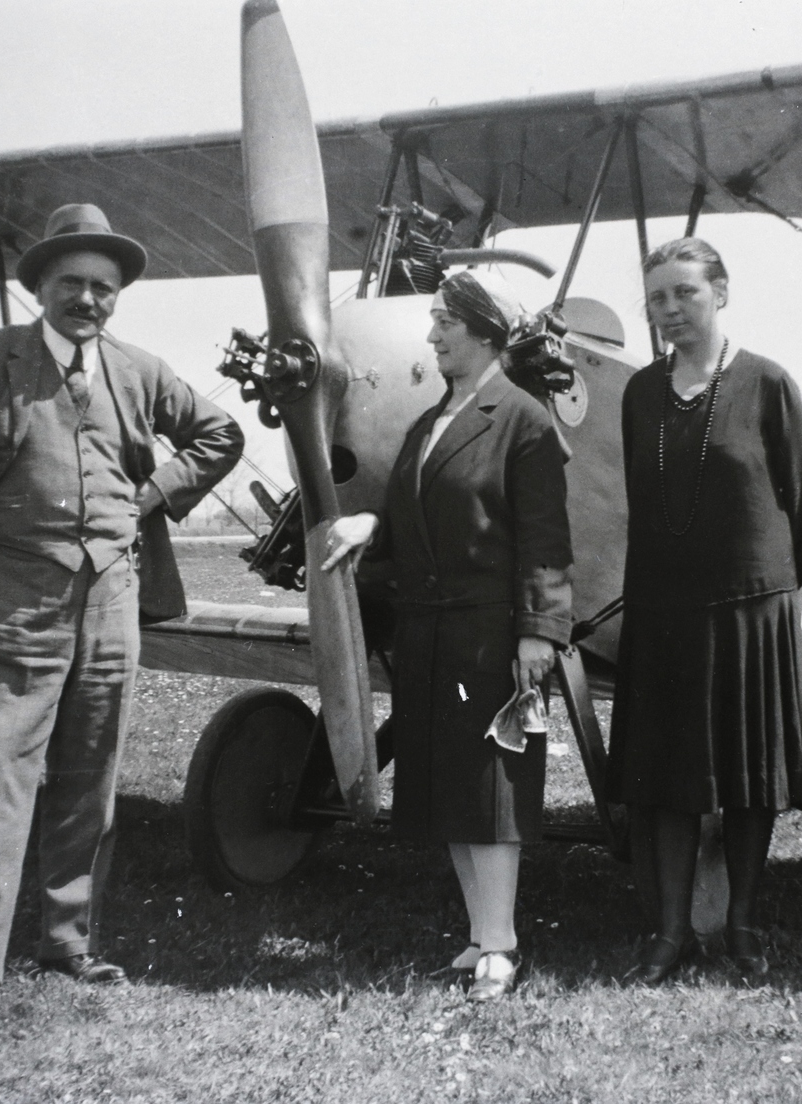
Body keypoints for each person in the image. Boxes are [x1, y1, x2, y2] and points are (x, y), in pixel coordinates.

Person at [0, 203, 244, 1017]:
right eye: (73, 283)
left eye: (104, 287)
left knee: (90, 780)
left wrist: (151, 497)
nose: (90, 300)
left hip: (112, 597)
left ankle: (69, 943)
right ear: (41, 288)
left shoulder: (137, 370)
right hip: (13, 596)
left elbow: (218, 434)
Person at [324, 270, 572, 1002]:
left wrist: (539, 632)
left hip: (490, 633)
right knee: (449, 792)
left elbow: (546, 540)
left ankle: (501, 944)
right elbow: (408, 510)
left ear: (484, 330)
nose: (431, 335)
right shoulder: (431, 421)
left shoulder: (524, 420)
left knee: (491, 791)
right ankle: (478, 935)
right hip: (431, 631)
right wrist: (373, 521)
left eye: (443, 323)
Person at [607, 238, 802, 984]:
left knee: (747, 776)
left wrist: (761, 591)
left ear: (721, 293)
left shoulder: (769, 384)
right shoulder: (639, 393)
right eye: (658, 298)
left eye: (685, 294)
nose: (671, 311)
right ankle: (668, 931)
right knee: (662, 778)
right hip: (664, 611)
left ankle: (743, 924)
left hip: (747, 609)